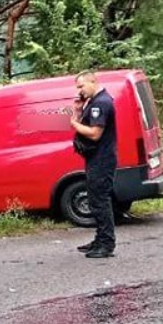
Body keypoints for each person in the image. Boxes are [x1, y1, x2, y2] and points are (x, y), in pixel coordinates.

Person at [70, 71, 117, 258]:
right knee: (95, 199)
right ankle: (100, 238)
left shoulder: (102, 103)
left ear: (93, 81)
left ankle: (106, 243)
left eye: (81, 86)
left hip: (102, 159)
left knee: (100, 202)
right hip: (95, 158)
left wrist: (74, 123)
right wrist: (79, 110)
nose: (79, 91)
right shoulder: (94, 102)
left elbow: (95, 133)